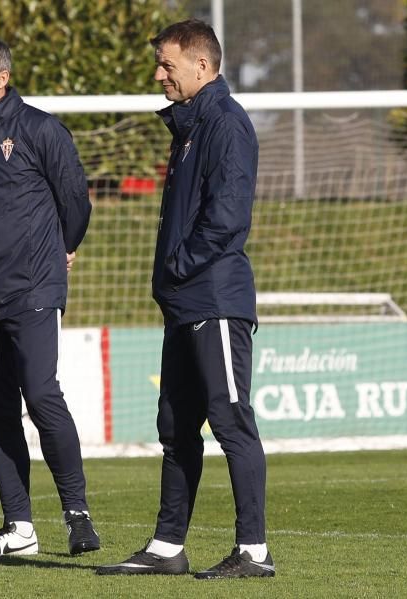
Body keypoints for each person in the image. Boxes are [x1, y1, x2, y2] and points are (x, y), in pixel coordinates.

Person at [96, 19, 274, 579]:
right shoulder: (192, 128)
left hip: (215, 299)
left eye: (167, 64)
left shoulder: (225, 124)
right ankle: (168, 545)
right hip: (185, 303)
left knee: (230, 420)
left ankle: (254, 553)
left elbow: (227, 218)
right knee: (175, 427)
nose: (159, 75)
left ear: (203, 65)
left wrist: (177, 266)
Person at [0, 32, 99, 557]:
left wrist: (63, 249)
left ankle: (77, 514)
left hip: (32, 288)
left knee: (42, 394)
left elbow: (75, 201)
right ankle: (19, 529)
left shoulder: (41, 130)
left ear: (1, 79)